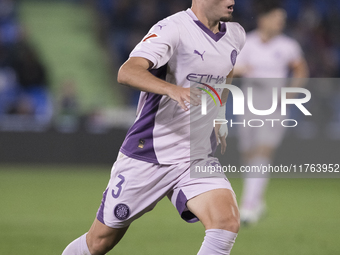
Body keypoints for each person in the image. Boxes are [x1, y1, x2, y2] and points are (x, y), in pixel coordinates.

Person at [62, 0, 246, 254]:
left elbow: (225, 70)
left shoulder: (235, 34)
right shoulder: (173, 28)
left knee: (226, 222)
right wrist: (173, 90)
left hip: (195, 155)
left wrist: (219, 114)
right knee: (99, 242)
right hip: (150, 153)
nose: (232, 1)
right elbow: (127, 72)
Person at [234, 0, 309, 225]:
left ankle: (247, 206)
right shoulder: (248, 42)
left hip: (274, 106)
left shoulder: (288, 46)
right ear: (263, 19)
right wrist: (241, 69)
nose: (280, 22)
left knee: (263, 151)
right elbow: (232, 68)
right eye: (277, 18)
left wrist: (291, 93)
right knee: (248, 153)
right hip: (248, 104)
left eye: (282, 19)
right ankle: (256, 198)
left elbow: (301, 70)